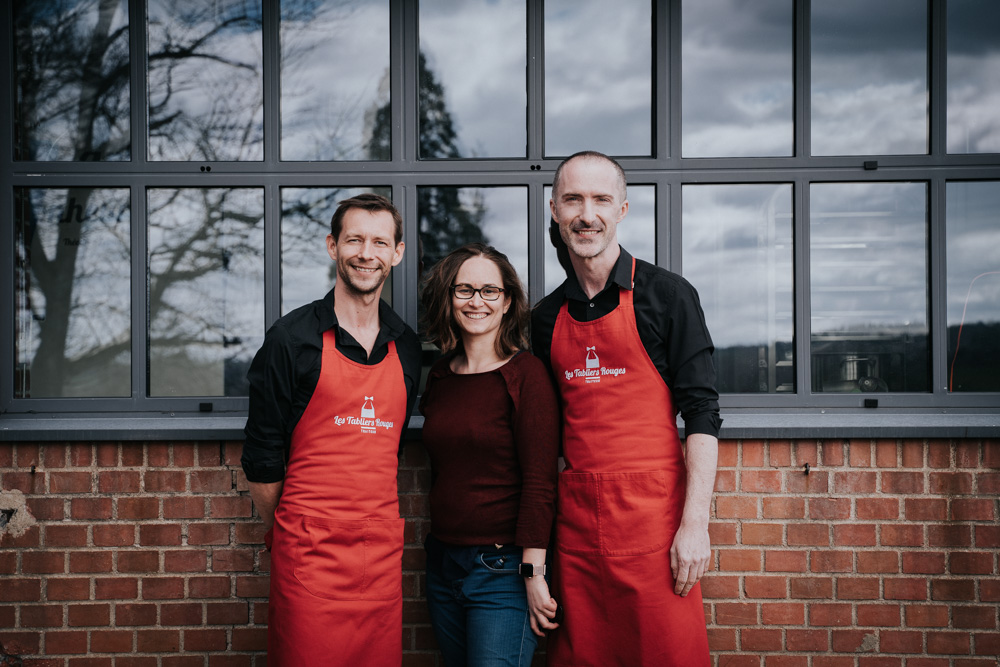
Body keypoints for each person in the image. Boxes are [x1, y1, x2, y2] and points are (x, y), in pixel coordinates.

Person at [531, 152, 721, 667]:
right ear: (554, 210)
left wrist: (694, 526)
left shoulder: (668, 297)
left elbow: (702, 414)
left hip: (656, 532)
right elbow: (540, 441)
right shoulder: (545, 319)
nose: (586, 213)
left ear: (623, 210)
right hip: (576, 537)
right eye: (573, 199)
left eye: (600, 200)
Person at [241, 193, 421, 667]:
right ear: (332, 246)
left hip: (379, 555)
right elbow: (262, 455)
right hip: (308, 552)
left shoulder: (407, 346)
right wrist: (291, 529)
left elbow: (391, 445)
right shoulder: (291, 339)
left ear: (396, 253)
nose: (367, 253)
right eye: (355, 239)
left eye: (380, 242)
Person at [419, 243, 561, 667]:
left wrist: (532, 575)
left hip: (502, 569)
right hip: (443, 564)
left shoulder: (526, 376)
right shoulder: (441, 376)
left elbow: (540, 482)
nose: (476, 301)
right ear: (449, 299)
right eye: (464, 290)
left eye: (489, 291)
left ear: (508, 302)